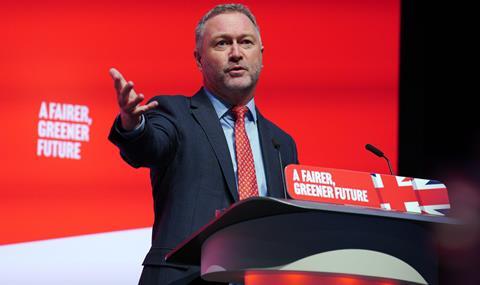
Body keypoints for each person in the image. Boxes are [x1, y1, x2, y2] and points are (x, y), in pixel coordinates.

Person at [108, 3, 298, 285]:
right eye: (222, 44)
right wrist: (133, 126)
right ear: (199, 59)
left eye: (245, 42)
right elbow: (148, 145)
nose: (236, 53)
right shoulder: (175, 113)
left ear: (260, 54)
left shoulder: (282, 143)